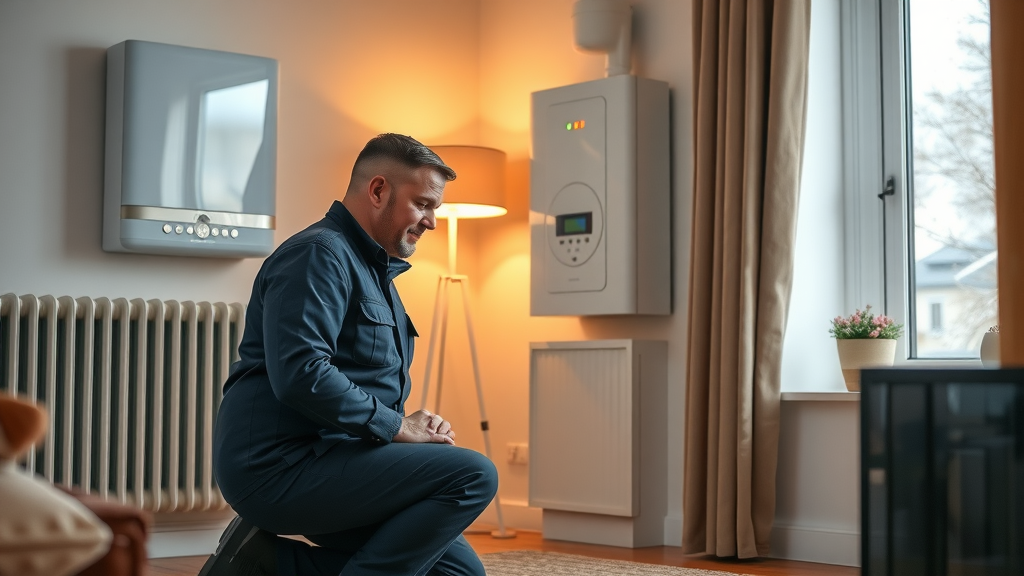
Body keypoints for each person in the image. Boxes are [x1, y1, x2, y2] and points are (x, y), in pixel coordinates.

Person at [199, 134, 499, 576]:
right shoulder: (317, 255)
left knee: (457, 574)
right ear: (378, 191)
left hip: (339, 457)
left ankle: (261, 564)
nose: (432, 221)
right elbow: (302, 373)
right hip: (280, 468)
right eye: (423, 204)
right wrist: (397, 426)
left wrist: (409, 425)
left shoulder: (373, 270)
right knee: (474, 474)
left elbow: (358, 380)